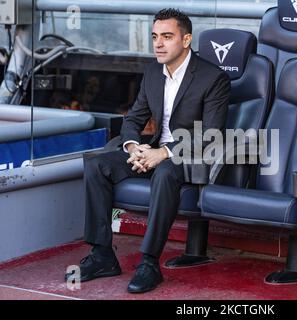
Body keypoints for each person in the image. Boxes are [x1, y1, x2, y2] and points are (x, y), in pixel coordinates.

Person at [65, 8, 230, 293]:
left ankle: (149, 262)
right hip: (150, 152)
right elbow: (134, 119)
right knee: (96, 165)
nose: (158, 43)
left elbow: (211, 135)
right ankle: (102, 254)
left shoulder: (212, 78)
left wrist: (163, 153)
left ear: (186, 39)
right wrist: (133, 147)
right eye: (155, 36)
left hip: (187, 157)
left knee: (165, 172)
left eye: (167, 36)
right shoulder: (153, 71)